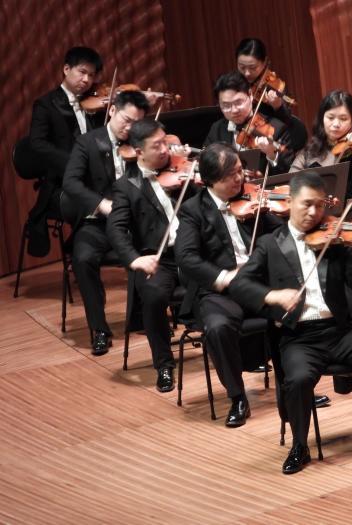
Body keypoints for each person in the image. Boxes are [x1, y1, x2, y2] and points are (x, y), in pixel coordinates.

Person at [230, 172, 352, 474]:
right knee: (298, 380)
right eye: (307, 204)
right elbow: (240, 285)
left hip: (339, 332)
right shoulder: (270, 244)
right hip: (299, 338)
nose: (314, 212)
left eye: (320, 205)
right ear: (290, 202)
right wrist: (272, 295)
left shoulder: (334, 242)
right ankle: (300, 445)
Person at [175, 142, 284, 426]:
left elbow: (284, 234)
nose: (239, 179)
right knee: (218, 327)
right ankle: (237, 397)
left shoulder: (253, 199)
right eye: (230, 175)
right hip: (220, 292)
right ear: (210, 181)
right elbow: (186, 257)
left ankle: (295, 389)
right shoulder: (192, 210)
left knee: (294, 310)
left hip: (257, 285)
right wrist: (225, 278)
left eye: (239, 170)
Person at [106, 119, 194, 392]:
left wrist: (195, 176)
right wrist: (134, 259)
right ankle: (164, 364)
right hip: (159, 259)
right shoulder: (126, 186)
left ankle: (246, 352)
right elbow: (115, 228)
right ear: (138, 152)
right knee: (154, 296)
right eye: (157, 146)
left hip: (192, 251)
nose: (165, 150)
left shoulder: (183, 170)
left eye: (165, 142)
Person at [62, 90, 150, 355]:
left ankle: (145, 317)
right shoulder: (88, 142)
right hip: (97, 223)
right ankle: (99, 329)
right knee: (83, 258)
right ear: (112, 111)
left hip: (131, 224)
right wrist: (102, 204)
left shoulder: (141, 143)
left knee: (152, 250)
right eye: (126, 120)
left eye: (136, 123)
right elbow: (71, 183)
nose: (130, 128)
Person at [27, 46, 103, 256]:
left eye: (91, 75)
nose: (87, 80)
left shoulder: (95, 104)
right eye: (82, 72)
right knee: (86, 202)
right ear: (66, 69)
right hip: (60, 184)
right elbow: (38, 144)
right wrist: (75, 163)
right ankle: (83, 251)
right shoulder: (46, 105)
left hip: (94, 180)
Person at [289, 90, 352, 201]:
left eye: (343, 119)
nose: (336, 124)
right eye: (330, 118)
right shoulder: (309, 152)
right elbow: (290, 184)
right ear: (322, 118)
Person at [203, 71, 293, 174]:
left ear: (250, 95)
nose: (234, 110)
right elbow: (205, 164)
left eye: (238, 102)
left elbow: (288, 171)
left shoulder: (276, 128)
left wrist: (271, 154)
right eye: (226, 105)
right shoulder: (217, 129)